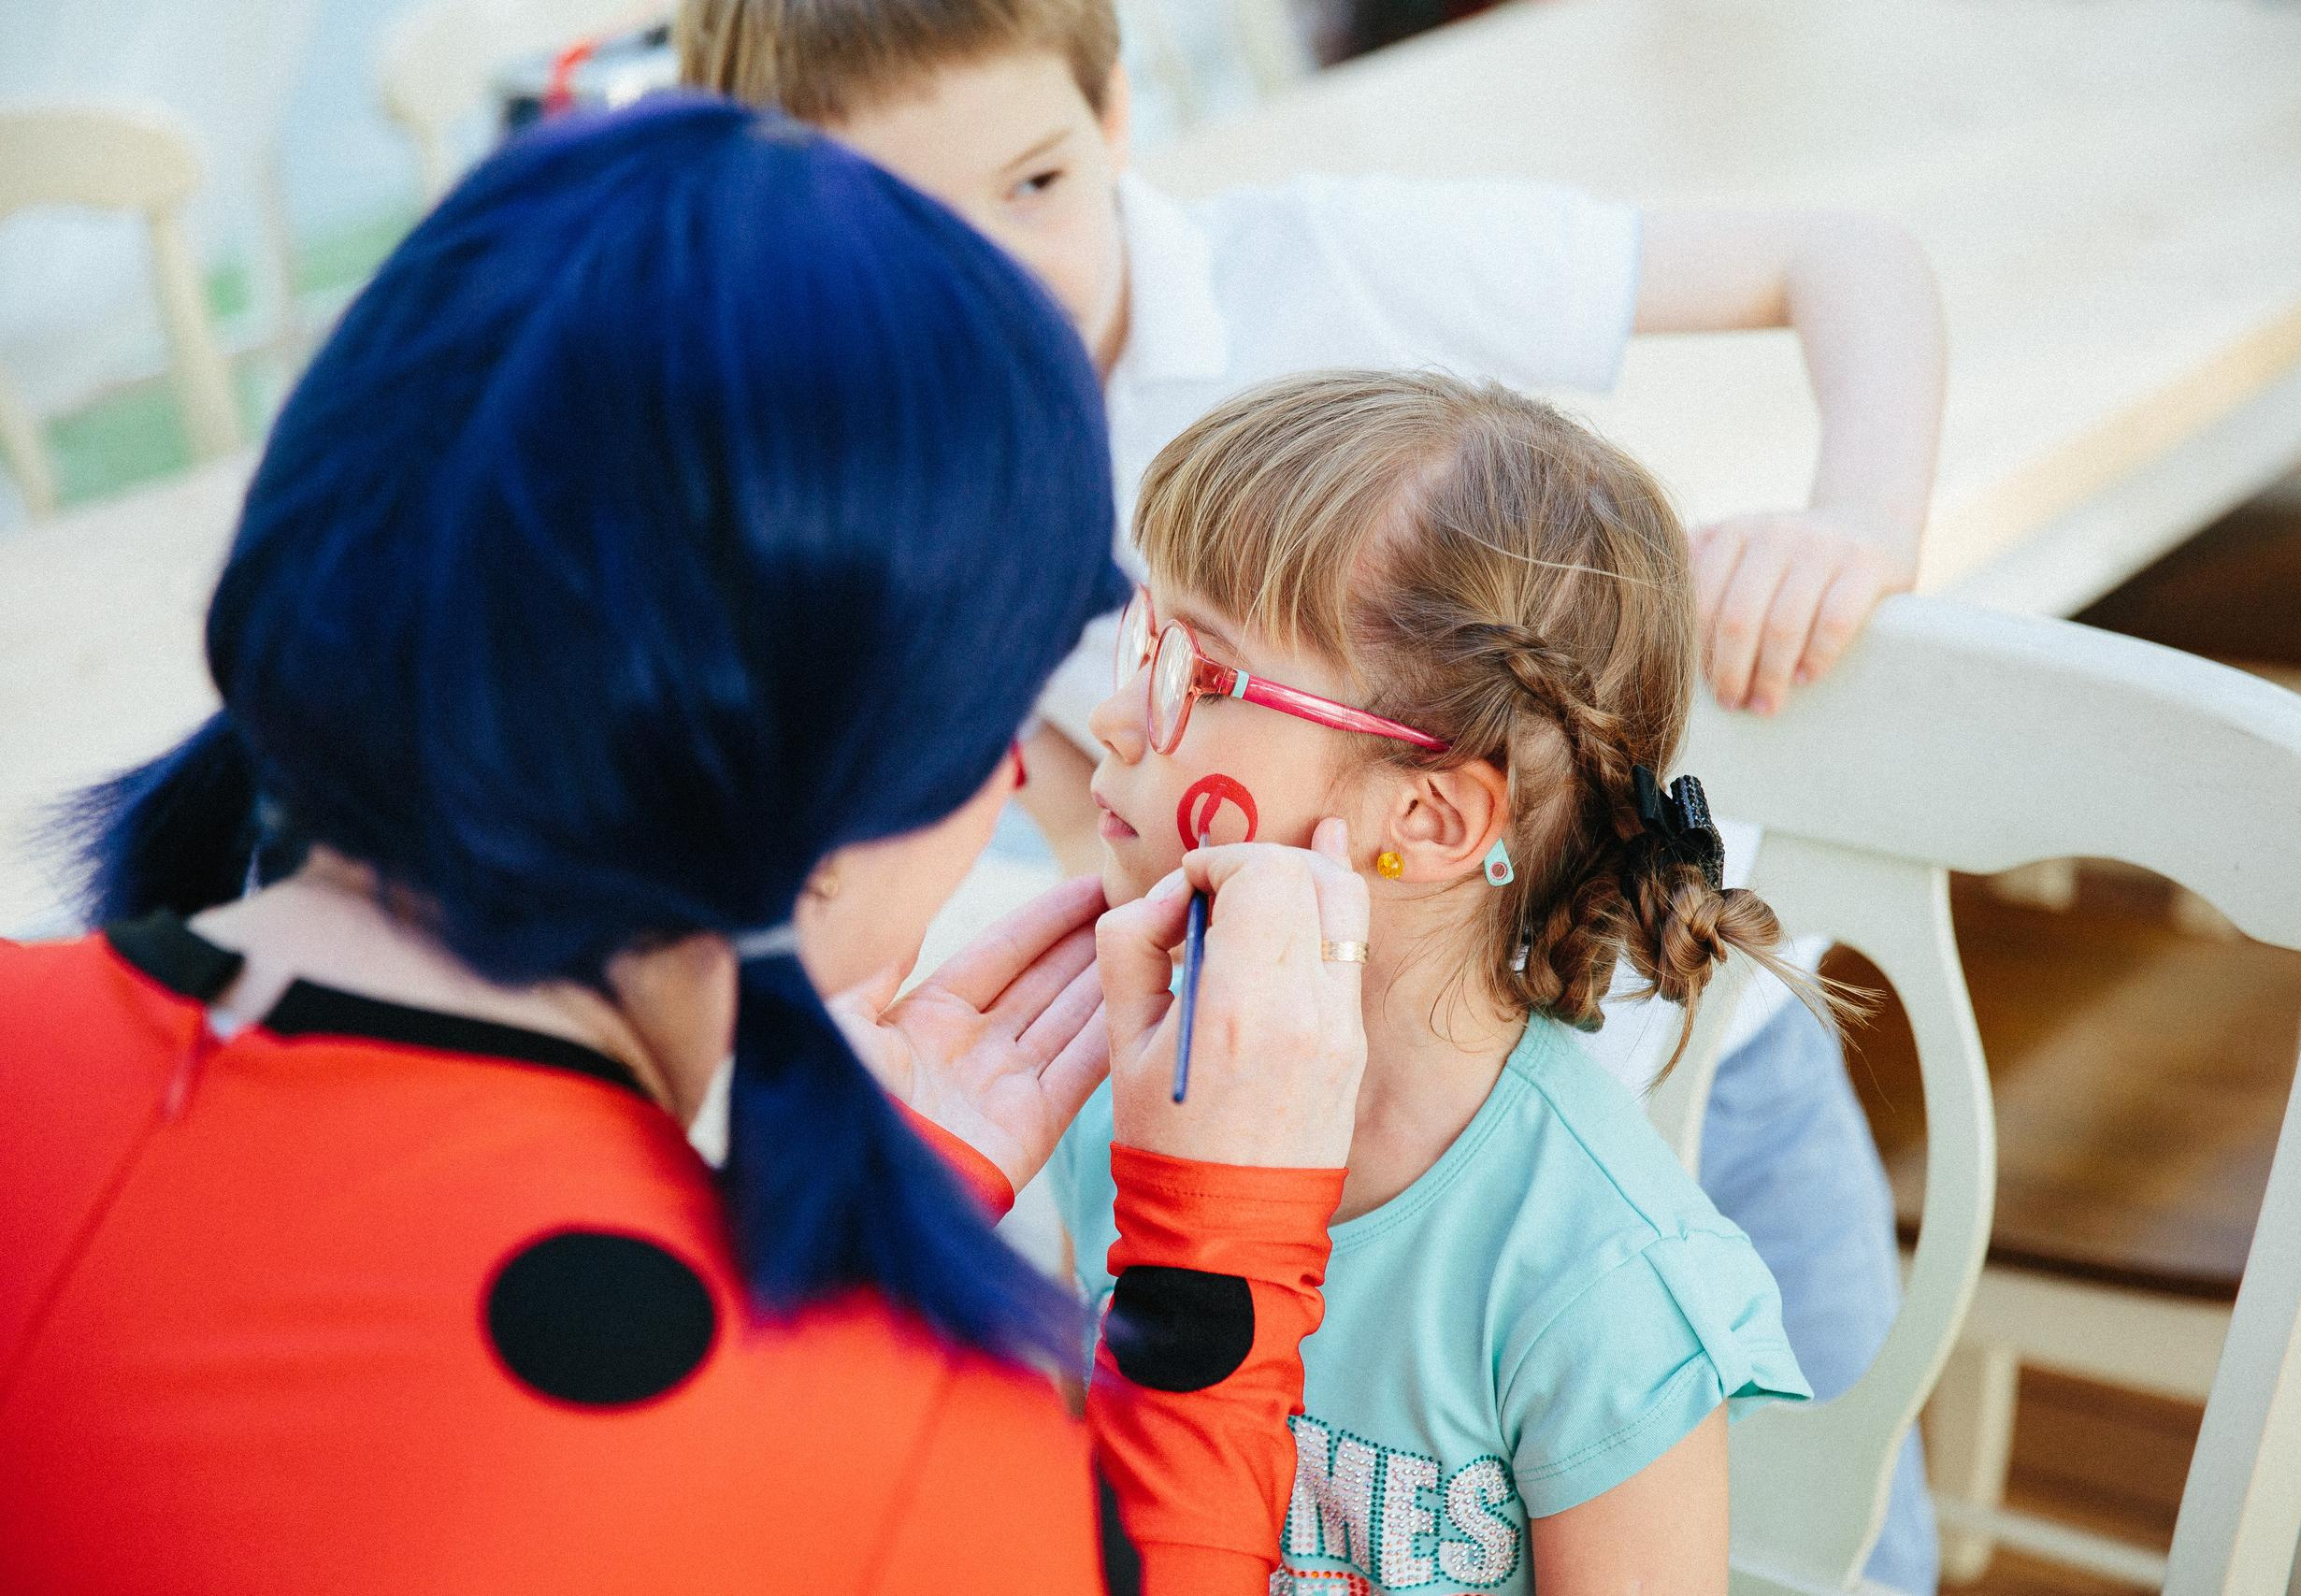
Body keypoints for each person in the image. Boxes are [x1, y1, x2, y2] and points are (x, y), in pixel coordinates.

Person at [0, 96, 1373, 1595]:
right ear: (837, 812)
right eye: (1001, 711)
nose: (1043, 759)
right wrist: (1211, 1284)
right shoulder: (902, 1467)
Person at [678, 4, 1945, 1586]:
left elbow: (1848, 256)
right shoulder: (1122, 1118)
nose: (992, 281)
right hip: (1297, 1057)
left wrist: (1858, 524)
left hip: (1672, 1068)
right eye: (902, 235)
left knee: (1848, 1557)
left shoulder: (1333, 263)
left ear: (1117, 112)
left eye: (1034, 186)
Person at [1059, 367, 1819, 1593]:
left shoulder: (1599, 1282)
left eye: (1196, 676)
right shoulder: (1126, 1091)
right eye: (1141, 638)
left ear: (1425, 812)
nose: (1109, 715)